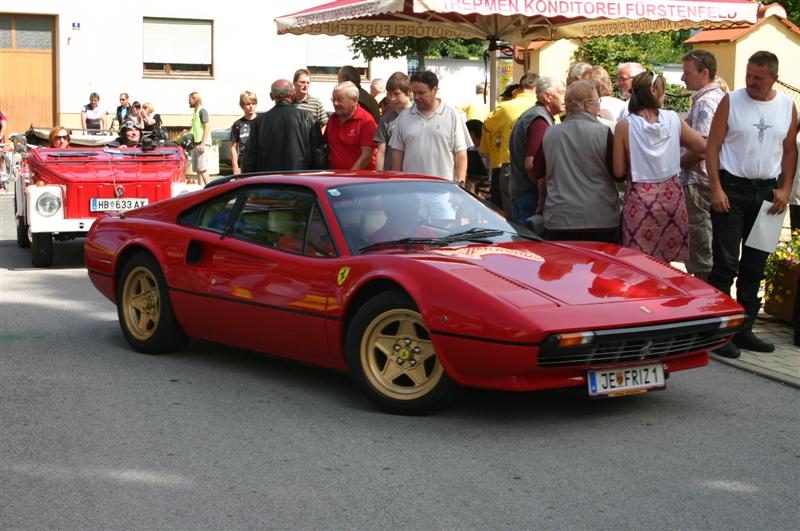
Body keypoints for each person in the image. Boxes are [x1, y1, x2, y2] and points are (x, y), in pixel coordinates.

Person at [706, 51, 798, 357]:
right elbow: (713, 147)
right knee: (726, 264)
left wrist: (785, 188)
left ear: (773, 77)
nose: (751, 82)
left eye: (758, 77)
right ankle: (720, 333)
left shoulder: (787, 106)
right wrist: (716, 188)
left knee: (755, 266)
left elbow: (788, 151)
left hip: (768, 193)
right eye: (748, 75)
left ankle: (745, 328)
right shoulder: (731, 101)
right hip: (732, 188)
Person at [613, 71, 706, 263]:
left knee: (639, 263)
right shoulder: (674, 119)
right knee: (666, 264)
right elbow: (702, 147)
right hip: (671, 200)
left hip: (640, 202)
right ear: (654, 90)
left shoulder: (624, 126)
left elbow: (618, 171)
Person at [533, 80, 620, 242]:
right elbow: (618, 173)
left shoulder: (550, 133)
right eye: (597, 102)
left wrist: (542, 202)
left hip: (559, 218)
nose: (599, 107)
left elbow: (538, 172)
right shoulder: (604, 132)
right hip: (600, 218)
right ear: (588, 105)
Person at [679, 50, 725, 282]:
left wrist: (673, 165)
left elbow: (702, 148)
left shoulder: (706, 102)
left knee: (701, 255)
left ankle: (705, 305)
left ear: (704, 73)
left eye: (687, 73)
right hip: (708, 182)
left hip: (699, 183)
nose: (682, 78)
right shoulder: (717, 98)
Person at [390, 70, 469, 185]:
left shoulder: (452, 114)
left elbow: (461, 153)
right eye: (414, 93)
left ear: (435, 90)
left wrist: (461, 182)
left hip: (444, 189)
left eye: (421, 93)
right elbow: (397, 153)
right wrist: (396, 183)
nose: (417, 97)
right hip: (412, 189)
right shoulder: (404, 116)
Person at [508, 76, 565, 225]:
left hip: (522, 193)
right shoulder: (539, 120)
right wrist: (543, 193)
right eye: (561, 92)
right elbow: (531, 164)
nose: (565, 97)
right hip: (529, 198)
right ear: (547, 96)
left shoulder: (537, 115)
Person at [483, 73, 539, 216]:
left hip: (510, 166)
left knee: (511, 217)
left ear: (519, 89)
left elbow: (487, 126)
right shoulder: (546, 107)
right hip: (539, 167)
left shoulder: (506, 108)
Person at [244, 80, 325, 172]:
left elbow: (249, 158)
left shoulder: (259, 121)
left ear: (271, 96)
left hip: (268, 180)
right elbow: (318, 153)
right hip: (300, 180)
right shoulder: (307, 117)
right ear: (293, 94)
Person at [480, 83, 518, 210]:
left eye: (506, 98)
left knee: (500, 208)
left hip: (501, 166)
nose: (503, 101)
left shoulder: (492, 119)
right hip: (501, 167)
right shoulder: (492, 119)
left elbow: (484, 152)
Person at [326, 81, 377, 170]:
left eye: (340, 100)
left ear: (354, 100)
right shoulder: (332, 119)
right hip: (334, 178)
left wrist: (349, 177)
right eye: (333, 99)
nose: (335, 103)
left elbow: (366, 157)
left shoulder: (366, 121)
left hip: (357, 180)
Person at [374, 72, 412, 171]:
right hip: (390, 176)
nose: (392, 98)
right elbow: (381, 152)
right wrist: (378, 175)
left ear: (408, 92)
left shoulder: (417, 116)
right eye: (390, 94)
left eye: (397, 94)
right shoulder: (386, 120)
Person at [230, 91, 258, 174]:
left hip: (261, 163)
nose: (251, 106)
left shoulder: (262, 121)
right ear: (242, 106)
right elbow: (233, 147)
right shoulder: (238, 124)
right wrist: (235, 166)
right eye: (248, 104)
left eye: (254, 103)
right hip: (245, 164)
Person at [188, 91, 211, 185]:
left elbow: (207, 126)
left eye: (189, 100)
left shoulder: (202, 111)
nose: (188, 102)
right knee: (198, 170)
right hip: (196, 144)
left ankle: (211, 191)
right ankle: (200, 191)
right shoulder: (196, 112)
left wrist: (202, 143)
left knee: (203, 169)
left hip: (201, 144)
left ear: (195, 99)